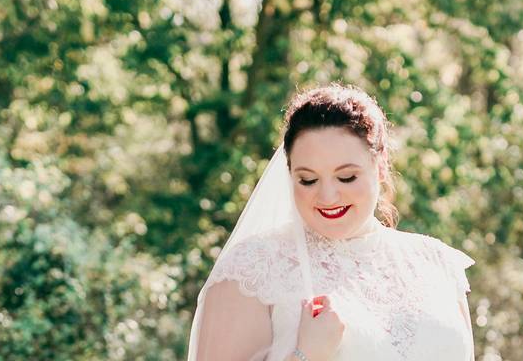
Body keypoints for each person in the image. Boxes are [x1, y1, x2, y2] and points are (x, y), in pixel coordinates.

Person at [187, 84, 475, 361]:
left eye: (346, 177)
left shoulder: (436, 263)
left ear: (380, 165)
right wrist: (306, 355)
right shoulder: (252, 271)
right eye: (308, 180)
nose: (327, 196)